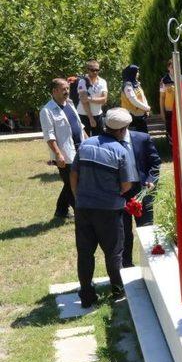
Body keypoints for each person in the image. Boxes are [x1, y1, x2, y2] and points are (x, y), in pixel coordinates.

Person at [70, 108, 137, 307]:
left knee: (84, 252)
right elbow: (126, 185)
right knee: (113, 252)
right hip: (109, 211)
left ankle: (87, 296)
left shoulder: (85, 145)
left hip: (83, 208)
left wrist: (78, 196)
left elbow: (73, 174)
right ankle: (117, 292)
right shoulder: (121, 152)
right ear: (123, 130)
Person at [39, 78, 85, 219]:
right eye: (63, 89)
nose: (67, 91)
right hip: (65, 153)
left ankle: (61, 211)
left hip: (80, 148)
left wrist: (89, 141)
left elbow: (80, 125)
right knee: (72, 183)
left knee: (71, 182)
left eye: (67, 88)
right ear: (54, 91)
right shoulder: (47, 111)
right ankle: (80, 214)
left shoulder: (70, 104)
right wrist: (58, 154)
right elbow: (49, 136)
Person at [120, 127, 161, 268]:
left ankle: (150, 265)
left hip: (142, 188)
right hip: (120, 191)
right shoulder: (108, 142)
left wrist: (151, 180)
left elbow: (155, 162)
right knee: (123, 231)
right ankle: (126, 265)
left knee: (146, 229)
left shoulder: (142, 138)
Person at [159, 59, 182, 145]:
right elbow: (162, 97)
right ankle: (173, 149)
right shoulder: (164, 80)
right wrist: (162, 112)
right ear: (168, 68)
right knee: (171, 130)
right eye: (172, 67)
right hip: (170, 110)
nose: (175, 69)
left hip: (181, 110)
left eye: (177, 67)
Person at [77, 60, 108, 137]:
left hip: (98, 114)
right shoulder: (82, 82)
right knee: (84, 139)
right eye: (92, 70)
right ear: (87, 70)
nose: (95, 72)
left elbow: (104, 100)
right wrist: (91, 118)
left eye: (97, 70)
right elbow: (84, 102)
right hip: (84, 115)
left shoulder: (102, 81)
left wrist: (89, 98)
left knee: (99, 139)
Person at [120, 64, 151, 133]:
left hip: (140, 115)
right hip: (132, 117)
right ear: (132, 73)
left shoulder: (136, 84)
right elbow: (133, 100)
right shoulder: (128, 86)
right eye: (137, 72)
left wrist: (146, 108)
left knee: (143, 137)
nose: (138, 74)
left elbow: (143, 97)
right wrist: (146, 108)